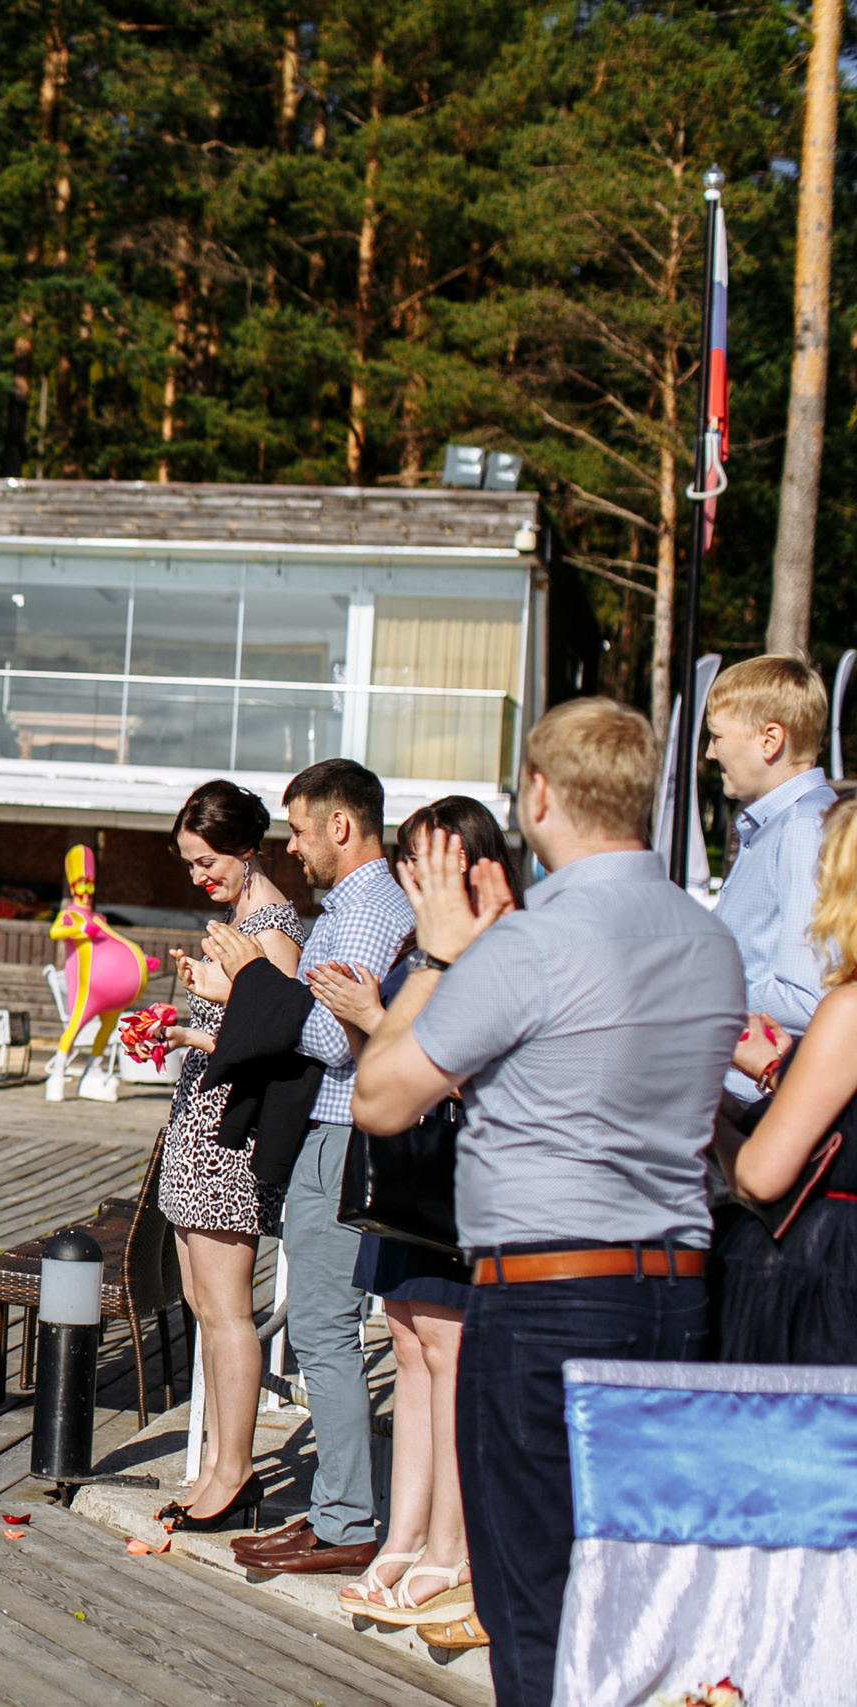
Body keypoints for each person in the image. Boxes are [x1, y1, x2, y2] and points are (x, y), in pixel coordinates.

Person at [352, 698, 742, 1699]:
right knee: (639, 1593)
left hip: (546, 1292)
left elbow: (380, 1098)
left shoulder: (529, 947)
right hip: (677, 1289)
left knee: (535, 1603)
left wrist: (438, 957)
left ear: (538, 796)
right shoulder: (708, 941)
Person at [310, 797, 518, 1627]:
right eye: (410, 860)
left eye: (430, 860)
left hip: (462, 1174)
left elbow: (496, 1078)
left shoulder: (497, 948)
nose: (416, 875)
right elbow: (383, 1073)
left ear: (472, 862)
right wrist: (369, 1023)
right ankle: (407, 1529)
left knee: (449, 1345)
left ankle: (450, 1546)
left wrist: (376, 1019)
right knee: (406, 1336)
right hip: (406, 1170)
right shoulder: (417, 948)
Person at [225, 758, 412, 1579]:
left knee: (325, 1333)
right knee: (317, 1331)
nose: (291, 846)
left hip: (345, 1131)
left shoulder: (370, 909)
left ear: (342, 825)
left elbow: (339, 1037)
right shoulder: (347, 907)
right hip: (327, 1130)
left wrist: (258, 987)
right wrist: (277, 996)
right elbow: (320, 1015)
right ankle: (336, 1511)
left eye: (299, 829)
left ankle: (345, 1521)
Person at [149, 780, 306, 1532]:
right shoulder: (239, 916)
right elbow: (239, 1021)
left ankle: (235, 1471)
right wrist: (184, 1022)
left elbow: (277, 1041)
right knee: (204, 1307)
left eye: (206, 860)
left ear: (248, 848)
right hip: (198, 1121)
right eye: (188, 862)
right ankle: (215, 1462)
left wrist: (205, 1024)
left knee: (228, 1311)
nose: (197, 876)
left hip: (227, 1135)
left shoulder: (274, 924)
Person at [719, 796, 857, 1364]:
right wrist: (782, 1072)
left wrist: (703, 1113)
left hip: (825, 1283)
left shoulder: (847, 1011)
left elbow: (759, 1177)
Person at [704, 655, 835, 1098]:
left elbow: (808, 999)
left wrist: (697, 984)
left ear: (770, 739)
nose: (709, 752)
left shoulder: (803, 828)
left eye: (717, 736)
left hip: (757, 1107)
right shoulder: (783, 825)